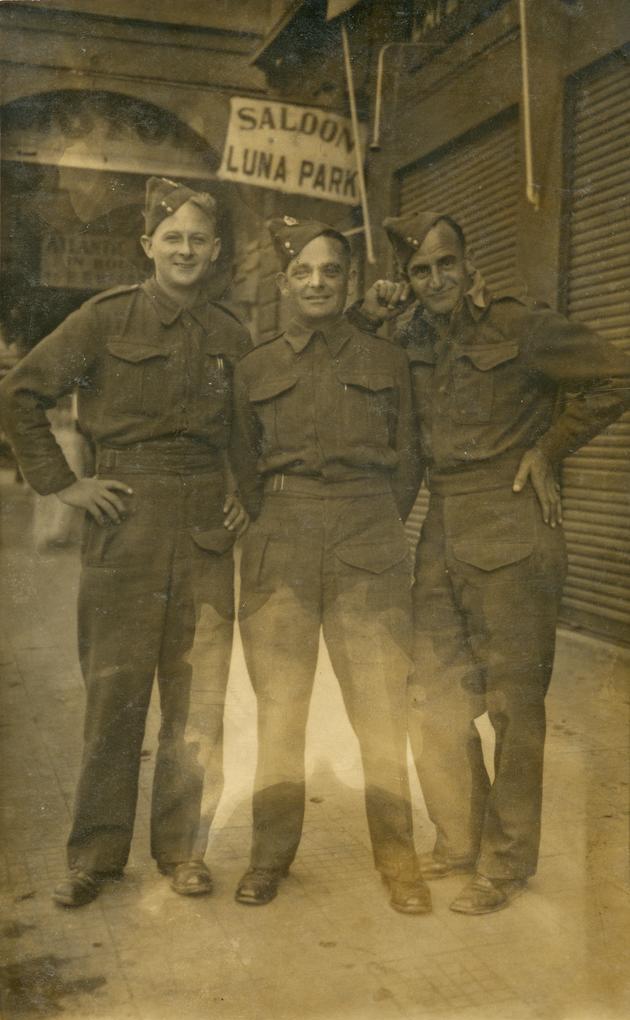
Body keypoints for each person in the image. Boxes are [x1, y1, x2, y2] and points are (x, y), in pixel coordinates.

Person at [354, 210, 630, 915]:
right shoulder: (408, 334)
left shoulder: (522, 325)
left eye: (447, 264)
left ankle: (505, 864)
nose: (436, 279)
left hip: (511, 520)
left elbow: (615, 376)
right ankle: (461, 838)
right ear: (407, 281)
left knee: (513, 707)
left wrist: (549, 450)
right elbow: (354, 370)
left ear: (469, 262)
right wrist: (367, 311)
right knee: (434, 698)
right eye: (421, 271)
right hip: (442, 527)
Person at [0, 177, 250, 907]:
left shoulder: (232, 335)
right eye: (170, 236)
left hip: (204, 528)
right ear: (148, 245)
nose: (183, 249)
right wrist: (62, 484)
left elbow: (251, 430)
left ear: (215, 251)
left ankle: (183, 851)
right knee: (115, 694)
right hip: (126, 523)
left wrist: (245, 491)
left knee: (198, 701)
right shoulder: (102, 322)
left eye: (197, 238)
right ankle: (95, 856)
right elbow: (19, 391)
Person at [230, 215, 430, 914]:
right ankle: (268, 858)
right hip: (280, 539)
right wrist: (277, 518)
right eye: (304, 272)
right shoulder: (256, 366)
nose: (318, 282)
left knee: (380, 709)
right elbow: (242, 460)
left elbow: (408, 460)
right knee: (280, 711)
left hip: (367, 537)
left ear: (350, 281)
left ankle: (399, 859)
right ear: (285, 283)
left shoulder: (387, 361)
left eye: (332, 271)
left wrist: (371, 519)